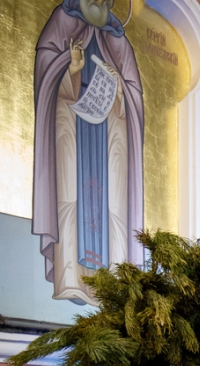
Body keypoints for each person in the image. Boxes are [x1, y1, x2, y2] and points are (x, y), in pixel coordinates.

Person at [33, 0, 144, 304]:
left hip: (108, 137)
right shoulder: (63, 18)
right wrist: (70, 69)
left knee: (111, 204)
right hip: (71, 128)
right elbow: (45, 68)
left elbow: (133, 94)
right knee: (70, 195)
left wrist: (119, 89)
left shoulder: (118, 38)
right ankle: (71, 277)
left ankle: (113, 285)